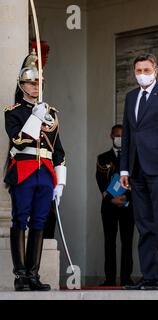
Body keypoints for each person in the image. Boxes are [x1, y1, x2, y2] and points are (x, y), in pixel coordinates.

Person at [4, 50, 66, 291]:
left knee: (40, 220)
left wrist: (59, 182)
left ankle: (33, 274)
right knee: (21, 218)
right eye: (30, 82)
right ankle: (20, 275)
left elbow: (59, 150)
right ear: (22, 85)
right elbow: (18, 140)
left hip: (45, 173)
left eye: (38, 82)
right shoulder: (13, 112)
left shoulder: (52, 114)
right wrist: (34, 118)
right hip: (24, 169)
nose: (35, 86)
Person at [119, 54, 158, 290]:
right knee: (144, 224)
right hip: (135, 169)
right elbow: (127, 134)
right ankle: (148, 275)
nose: (142, 73)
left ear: (155, 69)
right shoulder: (131, 97)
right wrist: (124, 168)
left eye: (146, 69)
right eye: (138, 70)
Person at [96, 124, 134, 287]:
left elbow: (136, 180)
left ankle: (126, 278)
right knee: (109, 242)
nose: (119, 139)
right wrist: (111, 198)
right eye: (117, 135)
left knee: (127, 242)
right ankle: (110, 279)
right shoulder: (102, 158)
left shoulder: (133, 158)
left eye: (122, 136)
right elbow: (100, 180)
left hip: (128, 205)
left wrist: (126, 197)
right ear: (111, 136)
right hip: (109, 206)